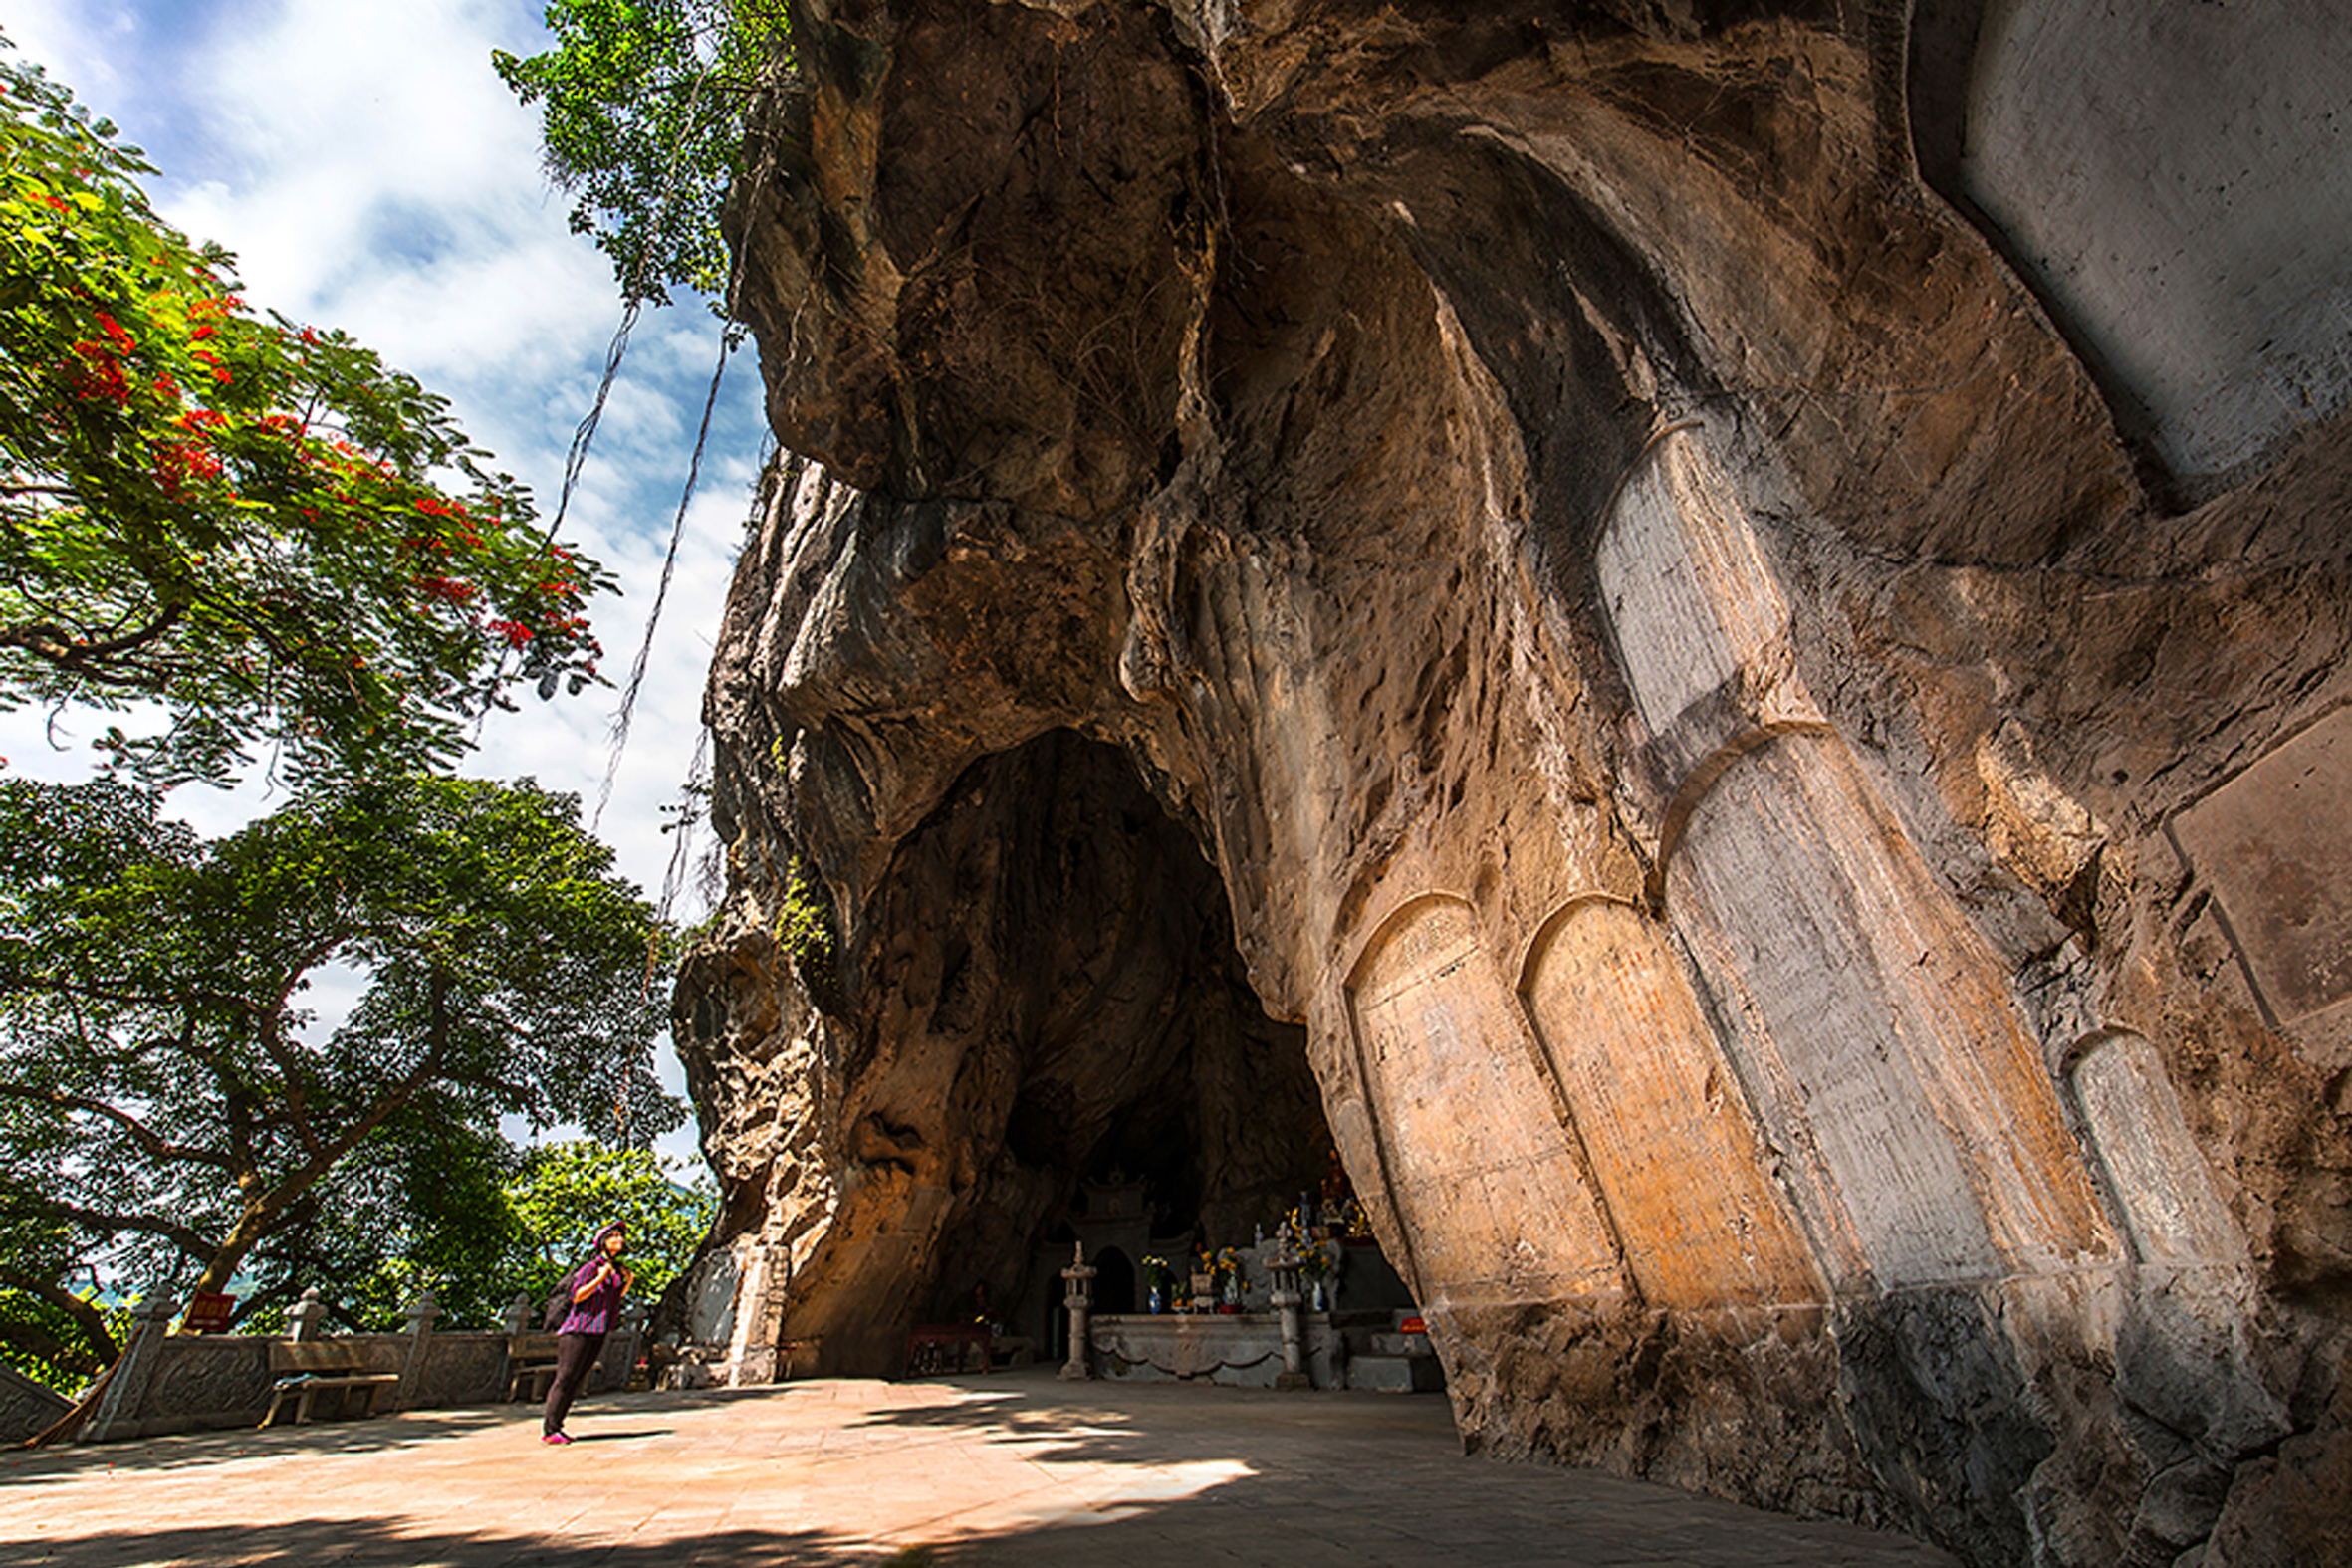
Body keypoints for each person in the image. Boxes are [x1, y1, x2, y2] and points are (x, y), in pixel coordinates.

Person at [543, 1221, 631, 1445]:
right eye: (613, 1237)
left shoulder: (616, 1269)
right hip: (578, 1329)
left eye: (620, 1237)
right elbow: (577, 1295)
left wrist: (627, 1281)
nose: (619, 1240)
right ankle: (550, 1427)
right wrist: (600, 1277)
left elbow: (614, 1297)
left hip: (599, 1328)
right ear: (602, 1242)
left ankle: (558, 1425)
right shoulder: (591, 1267)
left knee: (577, 1378)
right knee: (565, 1377)